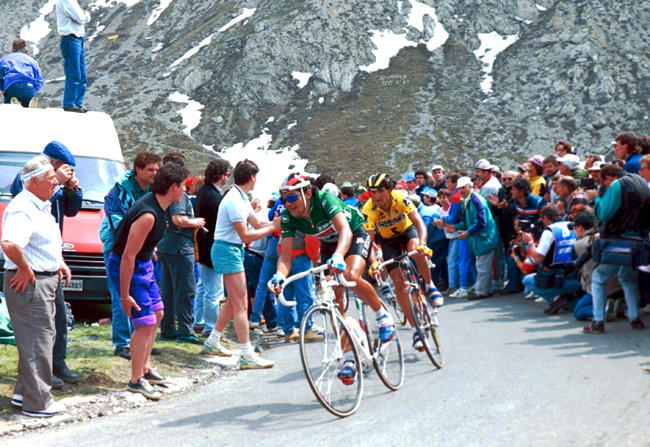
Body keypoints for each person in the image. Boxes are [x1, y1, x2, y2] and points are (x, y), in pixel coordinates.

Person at [270, 173, 397, 383]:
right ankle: (349, 357)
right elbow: (285, 258)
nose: (288, 203)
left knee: (349, 275)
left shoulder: (324, 199)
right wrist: (279, 277)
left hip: (354, 234)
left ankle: (383, 316)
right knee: (332, 302)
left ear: (308, 193)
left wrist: (339, 255)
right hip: (329, 244)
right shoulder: (288, 217)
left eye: (292, 198)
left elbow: (345, 231)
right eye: (284, 199)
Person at [107, 163, 191, 399]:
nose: (185, 190)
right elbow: (126, 257)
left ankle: (145, 369)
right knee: (144, 322)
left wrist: (149, 249)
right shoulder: (148, 214)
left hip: (143, 264)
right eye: (183, 186)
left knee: (159, 314)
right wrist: (124, 296)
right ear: (174, 186)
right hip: (130, 268)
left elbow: (139, 247)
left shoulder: (160, 206)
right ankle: (135, 380)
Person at [2, 155, 72, 417]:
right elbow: (9, 243)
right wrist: (24, 267)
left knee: (39, 340)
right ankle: (38, 403)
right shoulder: (24, 207)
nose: (56, 183)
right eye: (51, 179)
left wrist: (58, 261)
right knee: (38, 343)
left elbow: (40, 242)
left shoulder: (39, 204)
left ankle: (23, 394)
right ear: (33, 182)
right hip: (31, 283)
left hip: (42, 280)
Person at [10, 141, 82, 385]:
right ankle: (40, 376)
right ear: (50, 163)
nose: (59, 175)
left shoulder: (56, 185)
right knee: (39, 327)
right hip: (33, 264)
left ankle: (56, 363)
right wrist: (58, 183)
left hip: (51, 260)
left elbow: (72, 211)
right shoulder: (29, 176)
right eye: (60, 168)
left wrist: (73, 189)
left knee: (58, 317)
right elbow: (22, 193)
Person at [201, 160, 279, 369]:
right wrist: (273, 228)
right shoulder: (235, 200)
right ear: (252, 177)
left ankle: (212, 342)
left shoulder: (240, 197)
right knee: (241, 304)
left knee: (233, 301)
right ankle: (247, 354)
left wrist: (275, 224)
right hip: (228, 250)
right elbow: (246, 234)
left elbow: (257, 223)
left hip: (231, 250)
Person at [100, 151, 162, 359]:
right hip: (116, 247)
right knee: (121, 295)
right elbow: (117, 226)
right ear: (138, 170)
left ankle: (140, 339)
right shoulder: (120, 190)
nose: (155, 173)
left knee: (141, 295)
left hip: (138, 249)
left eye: (157, 170)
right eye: (150, 170)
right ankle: (122, 343)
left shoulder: (152, 189)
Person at [586, 163, 650, 333]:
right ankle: (635, 318)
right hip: (637, 240)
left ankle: (598, 321)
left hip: (618, 241)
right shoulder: (639, 181)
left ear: (608, 177)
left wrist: (597, 199)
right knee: (628, 278)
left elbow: (604, 214)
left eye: (603, 183)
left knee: (599, 279)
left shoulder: (617, 185)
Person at [158, 153, 205, 344]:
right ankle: (186, 331)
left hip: (165, 246)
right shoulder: (180, 197)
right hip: (180, 247)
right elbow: (178, 219)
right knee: (185, 290)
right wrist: (196, 222)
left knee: (168, 291)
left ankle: (168, 329)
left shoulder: (161, 193)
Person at [519, 205, 580, 312]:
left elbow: (537, 259)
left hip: (557, 280)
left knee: (527, 280)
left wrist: (531, 242)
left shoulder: (549, 231)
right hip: (577, 278)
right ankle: (569, 299)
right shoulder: (573, 225)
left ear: (545, 217)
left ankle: (555, 300)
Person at [194, 158, 229, 338]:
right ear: (221, 176)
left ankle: (198, 322)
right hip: (211, 248)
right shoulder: (214, 197)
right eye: (227, 175)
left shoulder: (203, 191)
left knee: (203, 287)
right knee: (213, 292)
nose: (227, 178)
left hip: (202, 246)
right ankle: (210, 328)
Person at [450, 177, 499, 300]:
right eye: (459, 188)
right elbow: (469, 221)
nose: (461, 190)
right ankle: (486, 289)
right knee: (483, 265)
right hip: (481, 237)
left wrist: (467, 233)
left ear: (470, 187)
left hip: (485, 237)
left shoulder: (476, 201)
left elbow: (481, 222)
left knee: (482, 266)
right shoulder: (468, 200)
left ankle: (481, 291)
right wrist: (458, 227)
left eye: (463, 187)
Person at [56, 0, 91, 113]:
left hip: (77, 40)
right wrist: (83, 14)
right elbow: (81, 18)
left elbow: (85, 17)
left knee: (82, 75)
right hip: (70, 39)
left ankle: (77, 103)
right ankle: (70, 103)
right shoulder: (66, 1)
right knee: (74, 73)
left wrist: (83, 15)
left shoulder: (73, 2)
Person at [0, 39, 43, 107]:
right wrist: (34, 91)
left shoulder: (4, 60)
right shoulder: (33, 61)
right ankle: (29, 103)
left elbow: (1, 76)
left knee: (9, 109)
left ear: (12, 50)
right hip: (29, 87)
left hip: (12, 86)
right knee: (27, 107)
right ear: (26, 51)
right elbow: (40, 80)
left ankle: (14, 105)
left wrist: (2, 89)